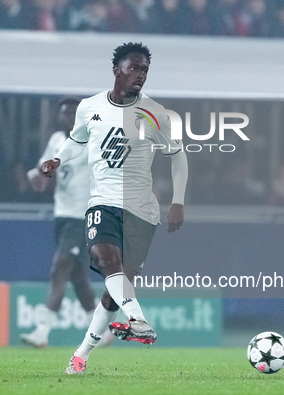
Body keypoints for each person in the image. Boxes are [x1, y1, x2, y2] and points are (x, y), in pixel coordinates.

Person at [41, 42, 188, 374]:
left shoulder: (156, 113)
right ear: (116, 70)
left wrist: (178, 200)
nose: (140, 75)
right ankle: (138, 321)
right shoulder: (89, 107)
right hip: (102, 203)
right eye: (134, 68)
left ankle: (81, 354)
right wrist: (58, 158)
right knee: (106, 260)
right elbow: (78, 140)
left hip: (141, 210)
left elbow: (178, 156)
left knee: (115, 290)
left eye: (145, 70)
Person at [19, 98, 98, 348]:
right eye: (66, 114)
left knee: (60, 267)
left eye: (75, 114)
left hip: (82, 216)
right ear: (60, 117)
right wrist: (36, 178)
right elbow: (43, 168)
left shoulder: (92, 142)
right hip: (62, 214)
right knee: (76, 275)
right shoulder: (56, 140)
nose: (70, 118)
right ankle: (101, 328)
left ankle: (42, 332)